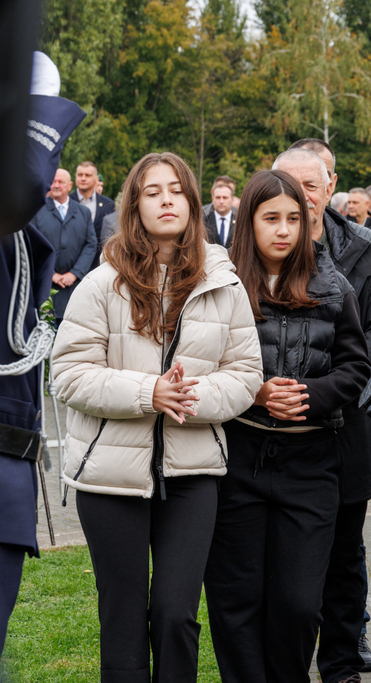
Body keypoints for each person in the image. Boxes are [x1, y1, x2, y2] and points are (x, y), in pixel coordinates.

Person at [50, 151, 263, 682]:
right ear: (134, 206)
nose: (166, 200)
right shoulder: (101, 284)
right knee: (122, 621)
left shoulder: (224, 283)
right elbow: (69, 374)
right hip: (110, 477)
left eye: (175, 190)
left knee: (175, 614)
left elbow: (245, 376)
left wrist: (184, 397)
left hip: (193, 474)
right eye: (152, 192)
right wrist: (149, 393)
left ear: (192, 203)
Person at [203, 170, 370, 682]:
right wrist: (253, 390)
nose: (283, 230)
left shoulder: (333, 285)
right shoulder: (221, 282)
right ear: (248, 223)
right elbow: (202, 359)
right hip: (238, 457)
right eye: (271, 218)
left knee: (298, 603)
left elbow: (356, 367)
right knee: (236, 599)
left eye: (294, 219)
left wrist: (311, 395)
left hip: (312, 461)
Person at [277, 141, 371, 679]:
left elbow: (367, 338)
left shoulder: (365, 249)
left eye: (311, 185)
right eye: (290, 185)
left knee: (346, 546)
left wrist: (325, 389)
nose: (302, 196)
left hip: (347, 416)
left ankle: (343, 653)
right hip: (274, 421)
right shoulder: (253, 248)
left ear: (330, 187)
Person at [32, 168, 96, 327]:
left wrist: (74, 273)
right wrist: (50, 273)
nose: (56, 185)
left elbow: (91, 244)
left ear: (70, 186)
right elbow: (31, 244)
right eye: (53, 181)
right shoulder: (36, 212)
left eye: (60, 182)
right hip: (45, 289)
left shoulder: (83, 212)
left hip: (74, 289)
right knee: (46, 331)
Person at [71, 161, 115, 269]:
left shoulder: (108, 204)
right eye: (80, 175)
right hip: (71, 268)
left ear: (96, 179)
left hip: (99, 266)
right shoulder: (67, 202)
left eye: (87, 175)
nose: (83, 178)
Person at [203, 176, 237, 248]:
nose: (221, 201)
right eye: (218, 197)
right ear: (213, 198)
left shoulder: (240, 219)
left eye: (225, 198)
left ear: (232, 199)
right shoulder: (203, 220)